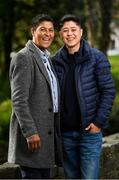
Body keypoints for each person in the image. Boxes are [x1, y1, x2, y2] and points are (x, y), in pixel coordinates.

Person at [52, 14, 115, 179]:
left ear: (81, 32)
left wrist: (98, 122)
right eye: (65, 30)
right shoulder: (55, 62)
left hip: (89, 133)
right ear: (60, 35)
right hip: (65, 135)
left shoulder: (96, 57)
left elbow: (108, 91)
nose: (69, 34)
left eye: (73, 29)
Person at [8, 14, 62, 179]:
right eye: (42, 29)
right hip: (33, 138)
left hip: (46, 137)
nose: (47, 34)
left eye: (51, 30)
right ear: (33, 31)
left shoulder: (46, 58)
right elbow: (18, 100)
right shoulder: (24, 57)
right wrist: (30, 132)